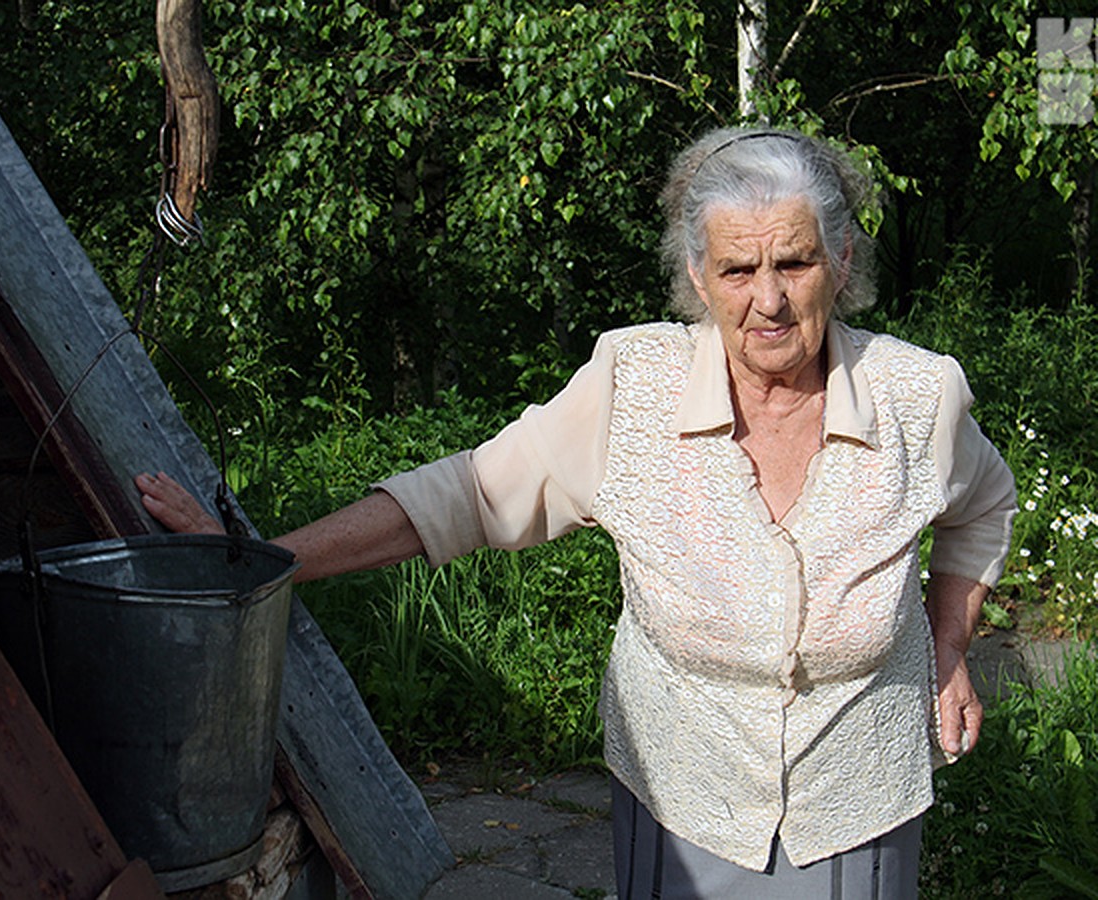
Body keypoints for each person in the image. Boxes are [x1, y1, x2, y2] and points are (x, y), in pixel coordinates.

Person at [137, 126, 1016, 898]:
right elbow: (467, 496)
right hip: (684, 802)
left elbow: (982, 507)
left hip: (856, 804)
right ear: (697, 278)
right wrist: (266, 555)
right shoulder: (633, 389)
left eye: (795, 261)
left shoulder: (916, 398)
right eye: (739, 269)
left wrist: (947, 644)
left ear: (844, 262)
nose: (770, 300)